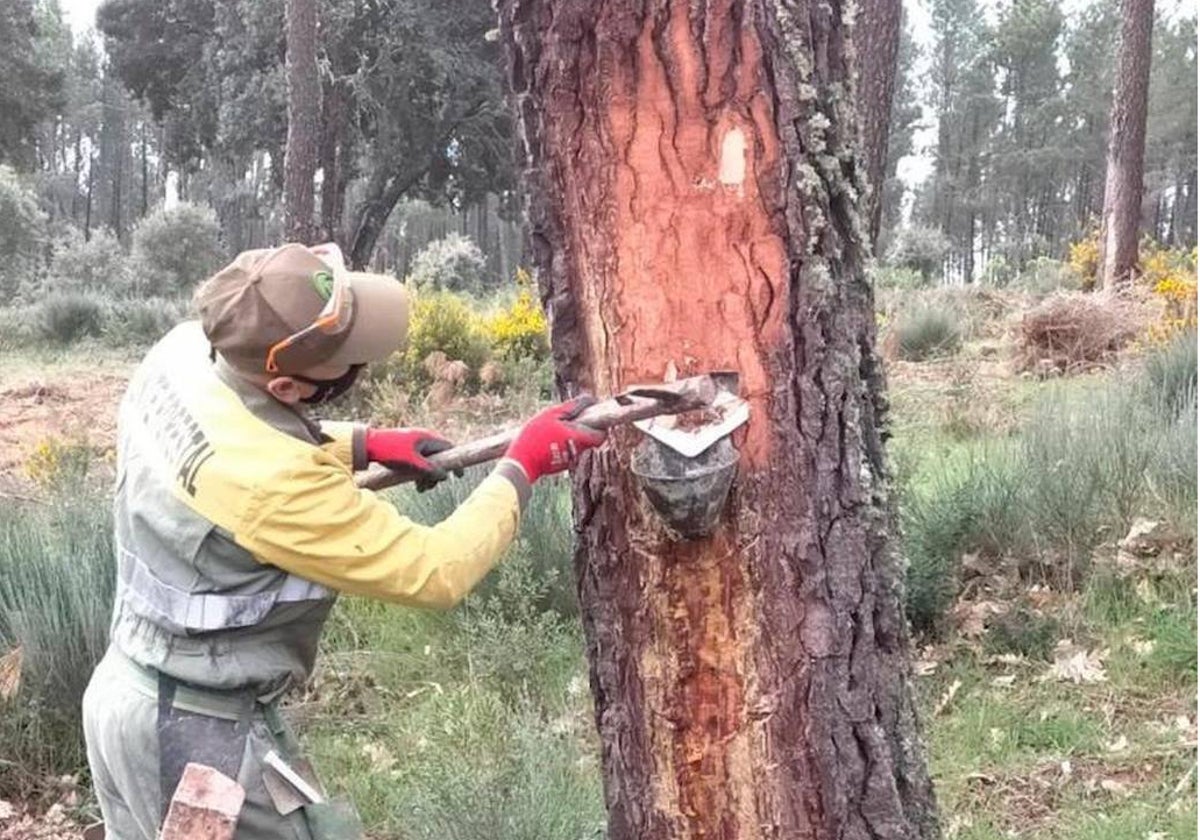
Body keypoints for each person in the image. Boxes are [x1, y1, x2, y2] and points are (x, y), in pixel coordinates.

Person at [81, 243, 606, 840]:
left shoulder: (182, 353)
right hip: (196, 745)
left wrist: (363, 442)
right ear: (284, 385)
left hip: (123, 697)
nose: (360, 365)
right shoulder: (275, 487)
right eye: (344, 361)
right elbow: (434, 570)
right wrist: (522, 466)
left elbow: (236, 433)